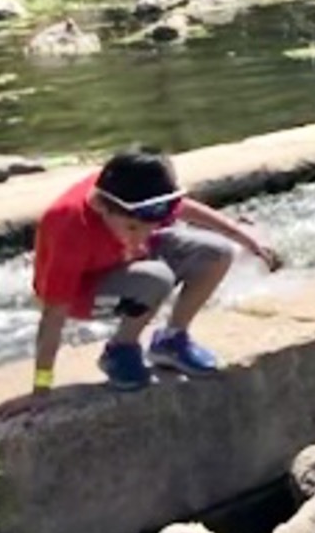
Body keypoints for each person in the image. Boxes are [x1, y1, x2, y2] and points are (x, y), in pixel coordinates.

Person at [30, 147, 284, 394]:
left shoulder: (133, 193)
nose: (143, 234)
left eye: (152, 226)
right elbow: (53, 314)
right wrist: (41, 388)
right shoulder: (68, 225)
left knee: (218, 252)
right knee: (156, 278)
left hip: (128, 260)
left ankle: (171, 340)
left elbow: (184, 208)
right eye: (132, 228)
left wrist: (246, 239)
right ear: (100, 206)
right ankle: (120, 349)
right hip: (84, 295)